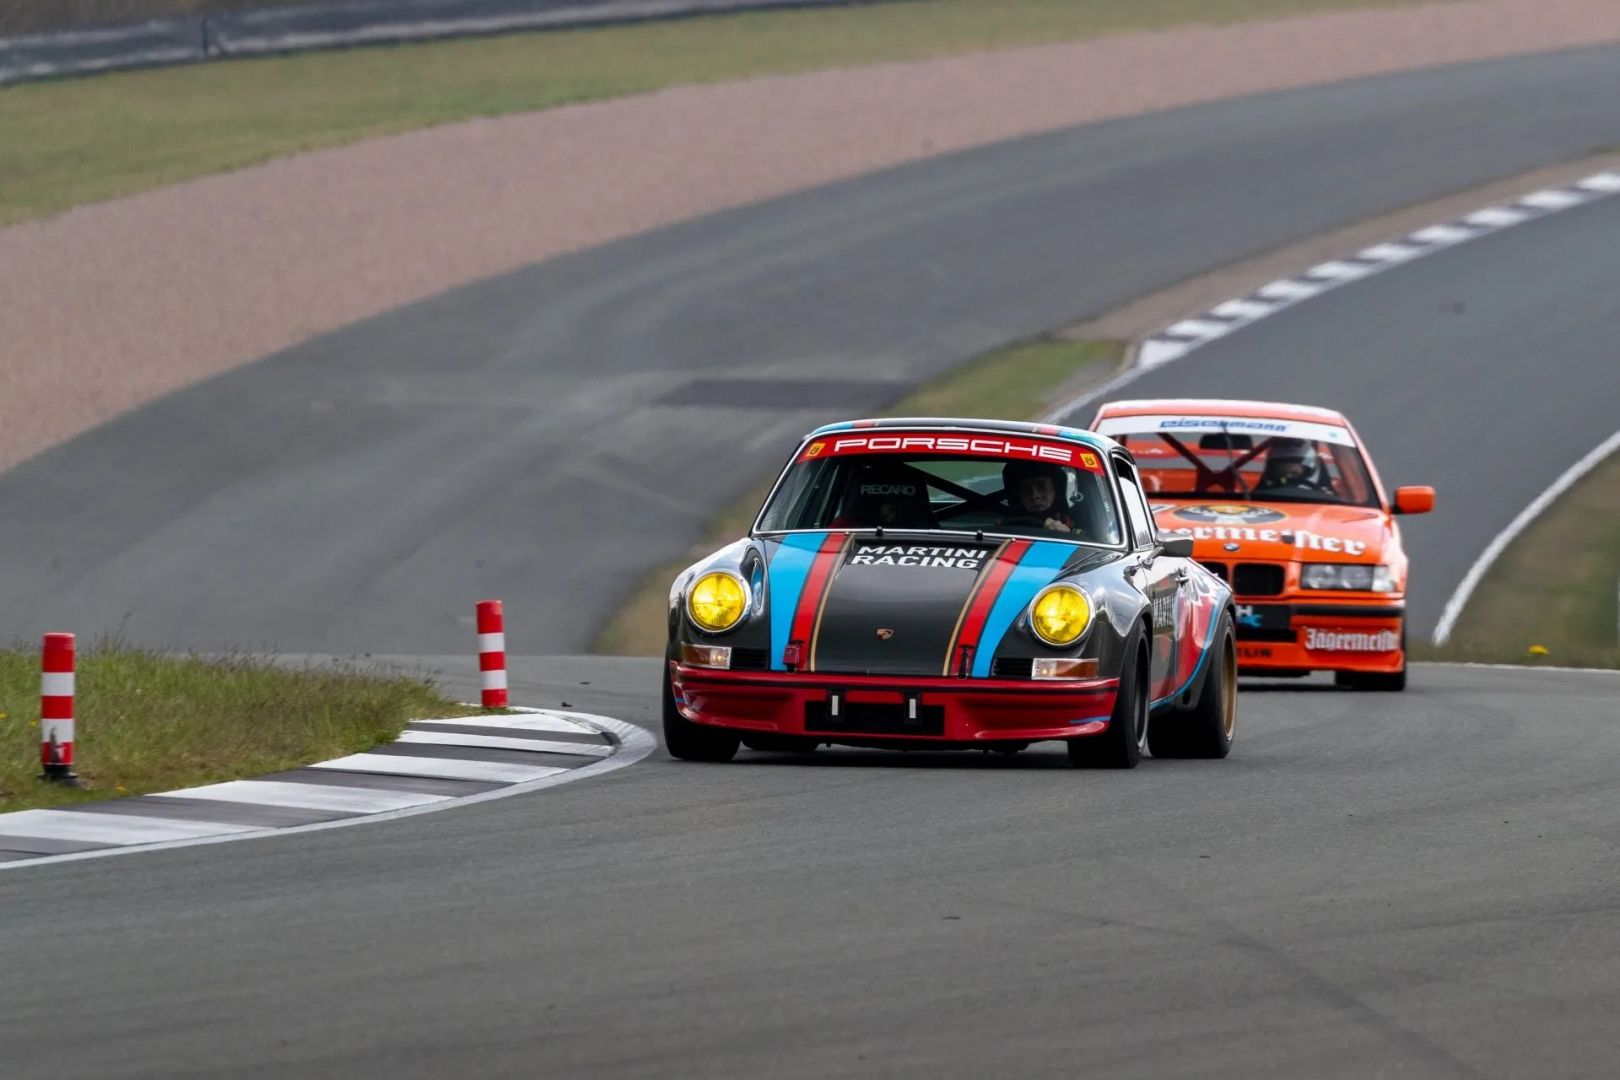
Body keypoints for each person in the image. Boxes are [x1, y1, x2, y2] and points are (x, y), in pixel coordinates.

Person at [1000, 461, 1079, 534]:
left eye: (1042, 487)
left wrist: (1064, 536)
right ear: (1019, 496)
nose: (1034, 496)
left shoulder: (1077, 526)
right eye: (1026, 489)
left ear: (1056, 491)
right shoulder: (1001, 526)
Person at [1256, 438, 1327, 493]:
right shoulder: (1261, 495)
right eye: (1282, 473)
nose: (1288, 477)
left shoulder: (1325, 498)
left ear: (1306, 471)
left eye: (1294, 473)